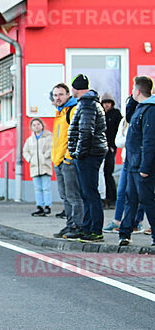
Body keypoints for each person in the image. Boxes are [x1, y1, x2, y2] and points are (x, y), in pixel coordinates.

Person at [64, 74, 108, 242]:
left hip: (88, 155)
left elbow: (85, 131)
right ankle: (88, 227)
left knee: (90, 193)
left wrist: (78, 153)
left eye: (73, 88)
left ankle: (95, 230)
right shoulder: (89, 103)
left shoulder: (87, 104)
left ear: (76, 88)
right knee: (87, 192)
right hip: (90, 153)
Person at [118, 76, 155, 248]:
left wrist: (145, 167)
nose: (132, 92)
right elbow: (129, 116)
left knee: (147, 201)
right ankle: (125, 233)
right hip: (132, 163)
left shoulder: (150, 111)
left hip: (141, 165)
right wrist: (131, 101)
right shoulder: (139, 108)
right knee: (129, 199)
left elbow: (149, 141)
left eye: (133, 89)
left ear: (138, 91)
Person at [103, 96, 146, 233]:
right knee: (122, 192)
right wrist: (131, 140)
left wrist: (130, 141)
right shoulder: (124, 121)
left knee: (140, 193)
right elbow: (118, 141)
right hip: (127, 159)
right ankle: (117, 220)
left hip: (140, 160)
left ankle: (137, 222)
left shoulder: (144, 118)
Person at [51, 84, 83, 238]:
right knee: (64, 195)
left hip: (67, 161)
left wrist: (68, 157)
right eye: (55, 95)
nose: (58, 98)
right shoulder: (59, 112)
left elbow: (76, 136)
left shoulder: (73, 110)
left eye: (61, 94)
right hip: (58, 160)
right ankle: (69, 224)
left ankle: (77, 225)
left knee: (73, 196)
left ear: (68, 94)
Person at [23, 118, 53, 216]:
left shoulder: (48, 136)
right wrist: (30, 159)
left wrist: (45, 157)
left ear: (42, 125)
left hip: (45, 165)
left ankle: (47, 206)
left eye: (38, 124)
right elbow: (25, 151)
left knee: (46, 187)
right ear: (31, 127)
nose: (36, 126)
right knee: (37, 188)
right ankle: (39, 206)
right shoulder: (30, 139)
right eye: (34, 125)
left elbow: (52, 148)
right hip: (35, 167)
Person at [101, 95, 123, 208]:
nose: (106, 105)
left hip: (111, 147)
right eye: (105, 102)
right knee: (102, 173)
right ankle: (105, 197)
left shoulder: (115, 114)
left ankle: (112, 198)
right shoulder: (101, 114)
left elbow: (119, 130)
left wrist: (113, 145)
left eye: (108, 102)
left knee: (108, 172)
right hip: (101, 147)